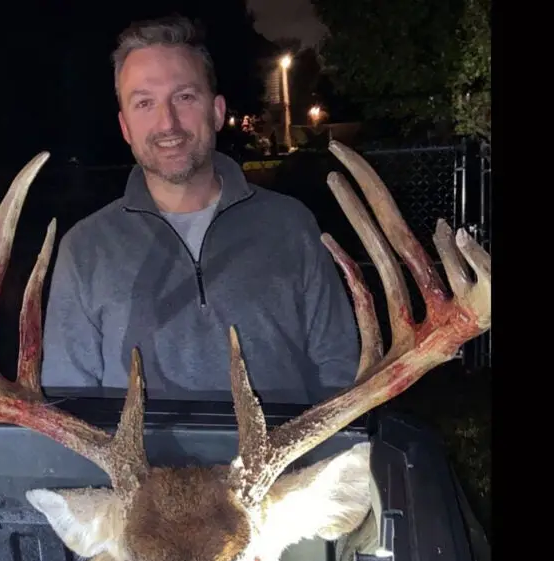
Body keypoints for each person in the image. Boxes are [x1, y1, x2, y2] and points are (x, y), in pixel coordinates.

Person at [40, 16, 360, 404]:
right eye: (144, 103)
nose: (167, 123)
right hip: (143, 467)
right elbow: (69, 406)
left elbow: (340, 372)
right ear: (125, 127)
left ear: (217, 111)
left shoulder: (291, 225)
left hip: (282, 465)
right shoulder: (85, 249)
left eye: (185, 97)